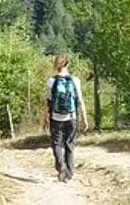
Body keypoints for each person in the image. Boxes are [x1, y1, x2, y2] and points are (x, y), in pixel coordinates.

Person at [41, 54, 89, 182]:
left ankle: (61, 167)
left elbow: (48, 102)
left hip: (56, 118)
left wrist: (45, 119)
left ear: (56, 66)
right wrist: (85, 118)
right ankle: (69, 173)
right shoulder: (75, 80)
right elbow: (80, 100)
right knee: (69, 145)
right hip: (71, 117)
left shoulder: (51, 81)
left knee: (56, 144)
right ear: (67, 64)